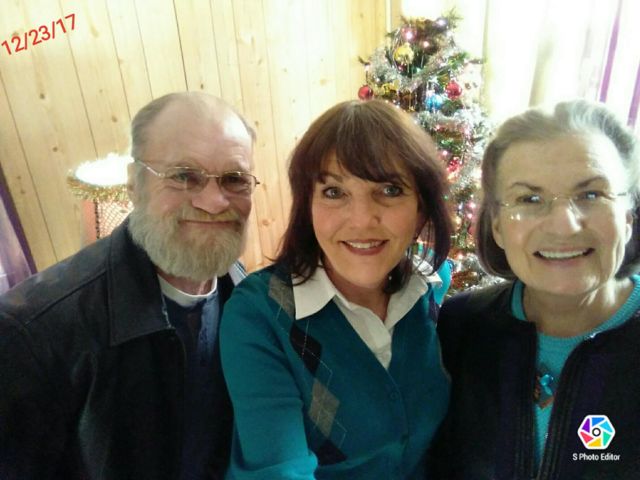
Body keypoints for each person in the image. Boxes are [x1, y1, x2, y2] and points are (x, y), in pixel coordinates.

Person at [0, 91, 259, 480]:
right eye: (184, 176)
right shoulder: (32, 334)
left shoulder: (246, 297)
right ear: (134, 185)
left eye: (234, 179)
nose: (213, 201)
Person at [219, 99, 453, 479]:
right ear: (307, 206)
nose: (361, 220)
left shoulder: (430, 287)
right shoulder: (260, 314)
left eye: (390, 189)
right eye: (333, 192)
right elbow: (278, 470)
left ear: (421, 209)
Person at [431, 99, 640, 479]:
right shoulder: (460, 329)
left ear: (627, 217)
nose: (564, 225)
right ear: (497, 226)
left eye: (591, 194)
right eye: (529, 199)